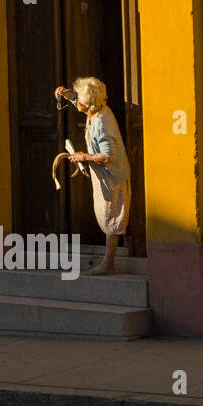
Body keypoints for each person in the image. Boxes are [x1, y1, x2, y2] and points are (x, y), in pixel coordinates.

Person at [53, 77, 131, 275]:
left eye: (78, 98)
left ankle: (109, 263)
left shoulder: (102, 123)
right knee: (107, 216)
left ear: (88, 102)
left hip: (112, 178)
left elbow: (108, 155)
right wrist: (67, 94)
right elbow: (77, 102)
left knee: (110, 218)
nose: (76, 101)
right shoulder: (95, 111)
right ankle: (108, 262)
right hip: (105, 176)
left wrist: (83, 156)